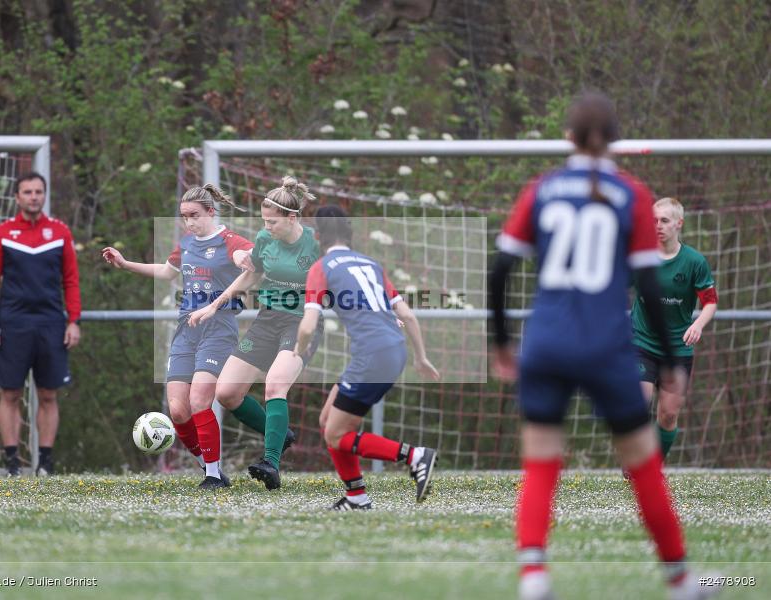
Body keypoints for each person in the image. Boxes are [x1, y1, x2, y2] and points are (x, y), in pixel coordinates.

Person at [489, 91, 717, 600]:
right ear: (616, 139)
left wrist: (502, 342)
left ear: (567, 137)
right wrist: (669, 356)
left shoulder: (543, 188)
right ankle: (680, 581)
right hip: (607, 345)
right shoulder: (632, 194)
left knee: (542, 457)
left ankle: (533, 578)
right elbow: (650, 288)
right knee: (642, 460)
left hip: (546, 342)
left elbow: (501, 269)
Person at [101, 184, 254, 489]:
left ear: (211, 212)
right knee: (179, 409)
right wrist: (125, 263)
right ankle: (208, 467)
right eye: (184, 217)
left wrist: (244, 259)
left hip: (219, 328)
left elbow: (247, 258)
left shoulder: (230, 241)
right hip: (187, 329)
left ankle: (213, 476)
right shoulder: (186, 244)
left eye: (194, 215)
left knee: (200, 399)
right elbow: (166, 272)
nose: (189, 222)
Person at [294, 205, 441, 510]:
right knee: (327, 422)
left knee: (336, 435)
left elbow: (308, 325)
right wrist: (421, 358)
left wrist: (298, 350)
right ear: (350, 234)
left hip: (372, 356)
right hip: (391, 350)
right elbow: (408, 315)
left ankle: (414, 456)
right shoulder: (370, 263)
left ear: (317, 236)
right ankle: (357, 498)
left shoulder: (322, 267)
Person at [188, 176, 322, 490]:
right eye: (264, 221)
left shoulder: (316, 243)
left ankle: (271, 463)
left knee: (275, 384)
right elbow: (251, 276)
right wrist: (214, 306)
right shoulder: (264, 239)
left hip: (301, 324)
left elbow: (345, 277)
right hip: (266, 322)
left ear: (292, 218)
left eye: (273, 222)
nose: (267, 227)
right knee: (226, 392)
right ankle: (279, 432)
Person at [0, 172, 81, 477]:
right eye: (27, 192)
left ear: (44, 195)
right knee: (9, 394)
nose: (34, 197)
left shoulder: (60, 232)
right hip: (13, 324)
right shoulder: (3, 232)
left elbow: (71, 281)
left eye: (39, 191)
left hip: (52, 323)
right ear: (17, 197)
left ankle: (45, 463)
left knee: (48, 395)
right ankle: (13, 462)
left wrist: (73, 320)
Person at [631, 197, 717, 460]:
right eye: (654, 220)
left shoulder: (694, 262)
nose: (658, 225)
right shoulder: (640, 257)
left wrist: (698, 324)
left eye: (664, 220)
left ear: (679, 224)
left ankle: (653, 463)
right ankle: (636, 459)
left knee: (668, 415)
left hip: (678, 346)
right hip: (642, 342)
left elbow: (710, 302)